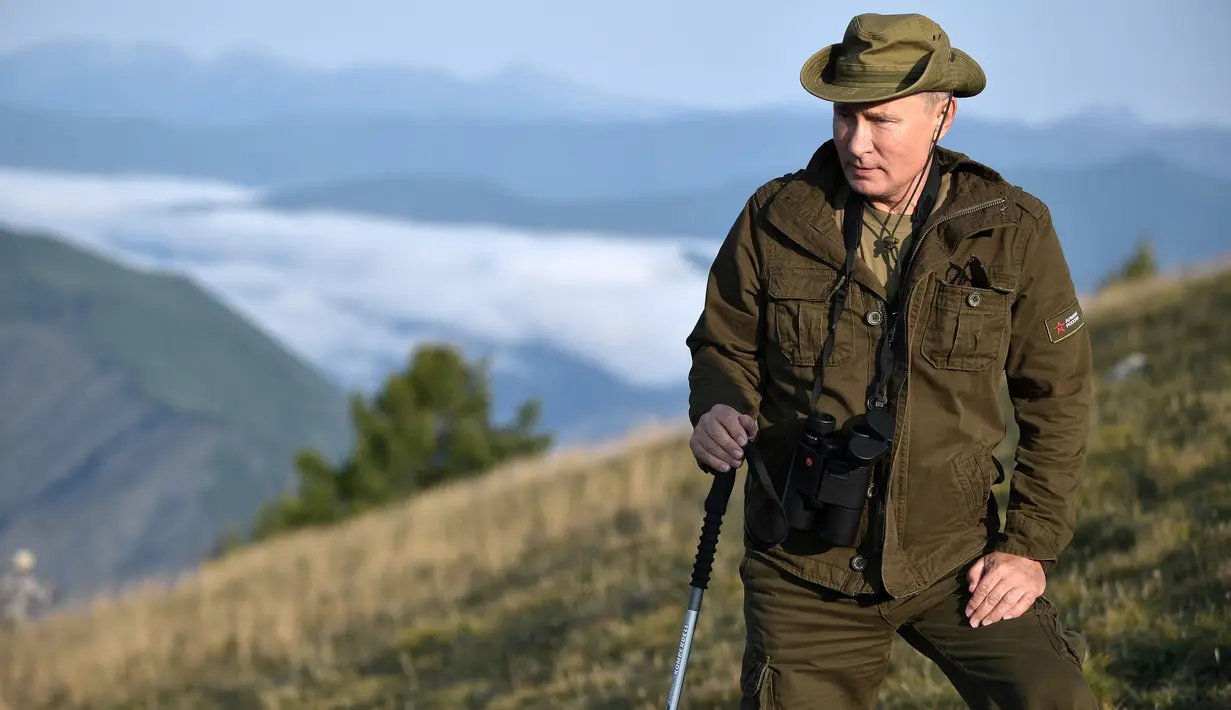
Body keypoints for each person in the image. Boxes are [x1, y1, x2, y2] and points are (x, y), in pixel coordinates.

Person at [684, 12, 1098, 709]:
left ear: (943, 115)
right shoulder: (775, 218)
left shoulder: (1010, 229)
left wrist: (1029, 547)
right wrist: (716, 408)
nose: (856, 141)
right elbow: (721, 345)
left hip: (955, 557)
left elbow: (1056, 396)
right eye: (845, 117)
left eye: (880, 120)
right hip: (801, 564)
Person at [0, 549, 53, 630]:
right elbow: (39, 595)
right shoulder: (27, 581)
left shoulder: (7, 579)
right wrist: (47, 590)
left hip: (6, 616)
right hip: (20, 617)